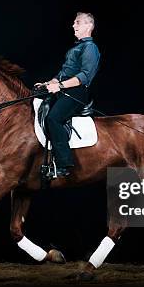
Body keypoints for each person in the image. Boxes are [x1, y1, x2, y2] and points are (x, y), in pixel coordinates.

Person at [35, 12, 101, 177]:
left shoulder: (90, 48)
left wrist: (61, 85)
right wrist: (49, 83)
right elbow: (64, 73)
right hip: (64, 89)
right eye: (74, 23)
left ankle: (64, 164)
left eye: (77, 22)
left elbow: (85, 76)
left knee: (53, 118)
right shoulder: (76, 48)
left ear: (88, 26)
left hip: (77, 93)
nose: (73, 26)